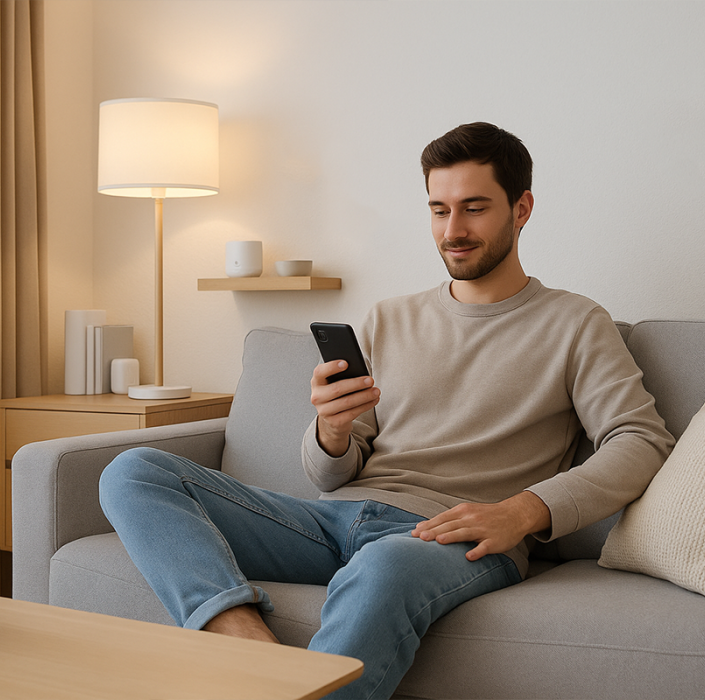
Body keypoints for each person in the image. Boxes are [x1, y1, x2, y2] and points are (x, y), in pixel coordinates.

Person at [99, 122, 674, 700]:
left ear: (521, 208)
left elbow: (641, 440)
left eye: (474, 208)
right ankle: (240, 642)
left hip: (448, 536)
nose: (454, 231)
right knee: (134, 471)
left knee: (383, 567)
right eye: (439, 210)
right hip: (332, 521)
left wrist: (523, 513)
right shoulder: (388, 319)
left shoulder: (575, 323)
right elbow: (329, 474)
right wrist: (331, 430)